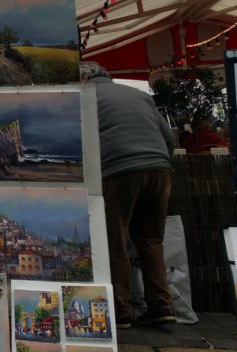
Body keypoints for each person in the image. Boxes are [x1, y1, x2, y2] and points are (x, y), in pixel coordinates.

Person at [82, 61, 176, 327]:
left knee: (115, 240)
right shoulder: (140, 95)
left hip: (119, 171)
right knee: (150, 240)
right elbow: (168, 137)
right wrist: (162, 164)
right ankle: (161, 305)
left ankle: (121, 310)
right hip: (160, 169)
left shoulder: (84, 98)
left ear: (84, 80)